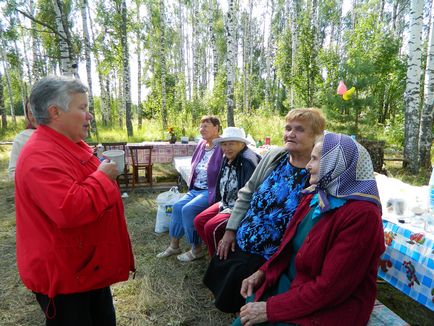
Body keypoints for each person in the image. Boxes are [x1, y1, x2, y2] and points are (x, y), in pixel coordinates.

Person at [14, 76, 135, 326]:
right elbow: (69, 209)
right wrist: (103, 176)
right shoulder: (40, 154)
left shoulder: (69, 145)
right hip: (66, 277)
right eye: (82, 108)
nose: (89, 116)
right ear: (55, 112)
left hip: (85, 268)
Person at [232, 132, 385, 326]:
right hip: (295, 286)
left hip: (329, 306)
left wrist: (270, 309)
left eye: (314, 159)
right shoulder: (316, 195)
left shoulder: (362, 215)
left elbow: (331, 289)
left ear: (336, 162)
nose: (307, 166)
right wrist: (263, 272)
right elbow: (287, 247)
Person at [204, 108, 326, 313]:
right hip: (243, 238)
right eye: (288, 128)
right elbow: (247, 192)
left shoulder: (319, 171)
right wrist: (230, 229)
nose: (290, 134)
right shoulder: (275, 157)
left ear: (316, 137)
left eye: (299, 129)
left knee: (242, 284)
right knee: (225, 272)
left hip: (272, 256)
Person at [157, 116, 223, 262]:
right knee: (178, 206)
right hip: (196, 188)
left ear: (217, 128)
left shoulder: (222, 146)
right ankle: (174, 246)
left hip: (211, 191)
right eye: (201, 126)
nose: (202, 129)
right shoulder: (201, 144)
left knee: (188, 209)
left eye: (206, 126)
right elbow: (194, 163)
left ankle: (196, 249)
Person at [194, 127, 261, 257]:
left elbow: (249, 195)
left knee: (210, 227)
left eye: (231, 143)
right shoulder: (227, 157)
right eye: (224, 144)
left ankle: (218, 261)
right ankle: (216, 252)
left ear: (241, 144)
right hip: (225, 203)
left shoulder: (246, 162)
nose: (227, 147)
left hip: (237, 207)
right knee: (199, 220)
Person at [8, 100, 37, 179]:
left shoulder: (65, 133)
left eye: (38, 111)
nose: (35, 116)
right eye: (31, 113)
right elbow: (12, 172)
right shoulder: (22, 138)